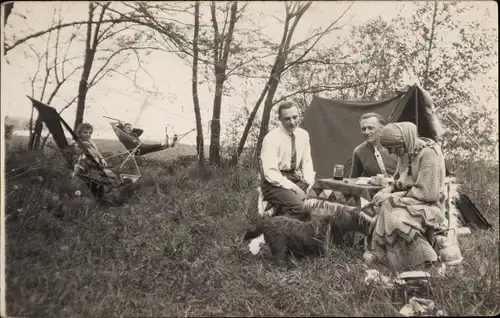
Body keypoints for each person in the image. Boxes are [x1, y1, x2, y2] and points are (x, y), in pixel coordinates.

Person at [362, 121, 448, 270]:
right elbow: (400, 180)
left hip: (429, 206)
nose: (390, 153)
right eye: (388, 149)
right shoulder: (407, 152)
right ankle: (386, 256)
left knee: (395, 219)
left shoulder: (429, 154)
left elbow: (428, 194)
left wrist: (395, 196)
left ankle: (424, 259)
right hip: (411, 200)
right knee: (380, 207)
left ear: (404, 142)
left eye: (393, 148)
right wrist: (388, 189)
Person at [260, 101, 316, 222]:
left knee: (317, 200)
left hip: (294, 177)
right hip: (274, 182)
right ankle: (269, 231)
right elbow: (271, 173)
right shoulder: (271, 138)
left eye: (295, 117)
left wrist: (310, 183)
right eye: (287, 119)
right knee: (301, 208)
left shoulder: (303, 135)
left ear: (299, 115)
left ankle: (277, 210)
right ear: (280, 119)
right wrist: (296, 189)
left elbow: (306, 161)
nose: (292, 122)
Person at [350, 113, 398, 178]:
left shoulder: (396, 146)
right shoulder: (359, 152)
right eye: (363, 129)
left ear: (382, 128)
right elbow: (353, 179)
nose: (366, 132)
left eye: (370, 128)